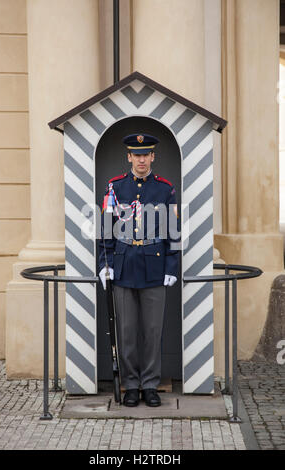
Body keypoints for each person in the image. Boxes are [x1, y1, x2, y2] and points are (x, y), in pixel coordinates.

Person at [99, 133, 180, 407]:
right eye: (137, 154)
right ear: (129, 157)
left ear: (153, 156)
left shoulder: (164, 189)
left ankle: (150, 385)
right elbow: (106, 231)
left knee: (153, 330)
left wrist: (171, 265)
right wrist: (104, 265)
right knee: (127, 331)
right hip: (123, 266)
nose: (142, 159)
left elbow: (173, 231)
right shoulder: (115, 188)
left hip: (155, 267)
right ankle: (131, 384)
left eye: (146, 154)